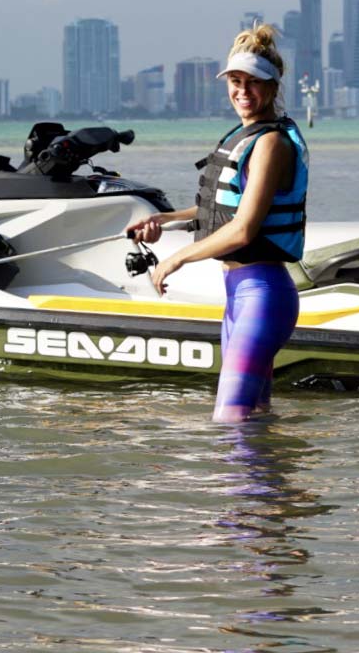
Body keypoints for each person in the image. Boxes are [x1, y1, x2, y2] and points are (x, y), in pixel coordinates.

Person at [126, 25, 309, 422]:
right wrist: (166, 219)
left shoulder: (271, 144)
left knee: (231, 421)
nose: (243, 91)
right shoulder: (247, 136)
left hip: (264, 295)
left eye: (254, 82)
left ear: (274, 87)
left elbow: (244, 229)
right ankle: (280, 483)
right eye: (235, 81)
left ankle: (246, 485)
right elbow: (223, 211)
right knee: (255, 417)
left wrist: (177, 259)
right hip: (239, 297)